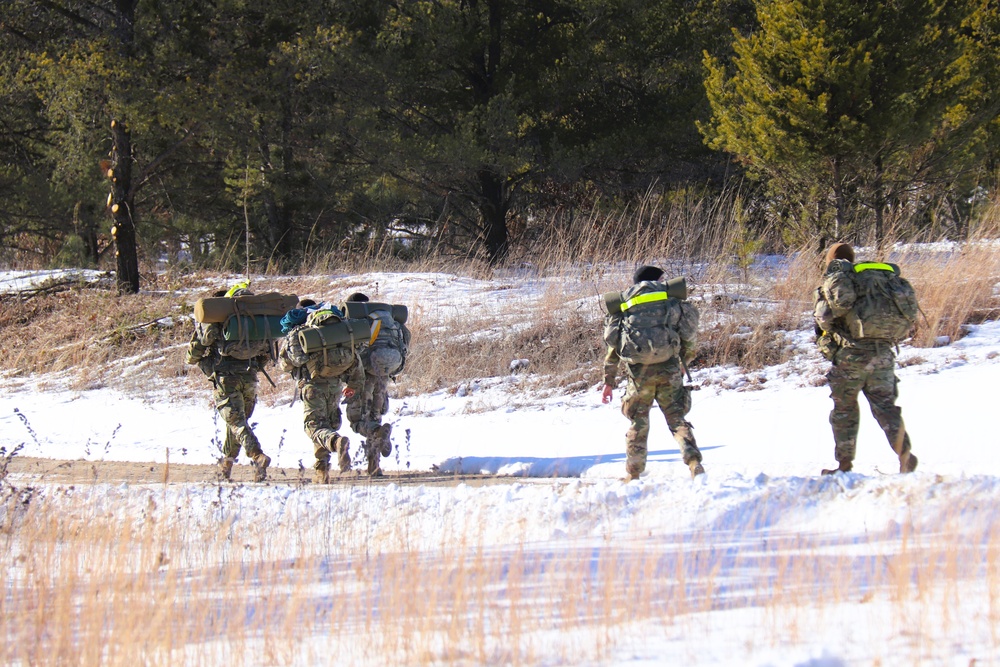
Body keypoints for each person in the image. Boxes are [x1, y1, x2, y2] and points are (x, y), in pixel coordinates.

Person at [813, 242, 918, 475]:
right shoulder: (878, 281)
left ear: (832, 260)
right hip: (883, 354)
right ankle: (905, 456)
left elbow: (826, 318)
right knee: (886, 407)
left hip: (852, 355)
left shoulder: (840, 281)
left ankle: (844, 465)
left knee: (844, 411)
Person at [601, 265, 704, 480]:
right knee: (677, 418)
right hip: (669, 369)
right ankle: (694, 463)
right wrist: (685, 361)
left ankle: (634, 474)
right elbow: (688, 334)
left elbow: (613, 346)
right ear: (656, 280)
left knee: (638, 422)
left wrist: (608, 381)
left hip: (639, 375)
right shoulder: (671, 301)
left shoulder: (624, 305)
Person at [185, 283, 272, 482]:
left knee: (236, 422)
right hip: (250, 377)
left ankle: (257, 455)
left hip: (225, 377)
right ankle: (226, 467)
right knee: (237, 424)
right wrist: (255, 366)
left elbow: (199, 346)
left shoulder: (217, 321)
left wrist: (194, 359)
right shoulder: (258, 320)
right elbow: (267, 352)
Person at [277, 300, 365, 484]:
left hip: (312, 386)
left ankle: (335, 442)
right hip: (335, 385)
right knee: (327, 425)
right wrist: (353, 385)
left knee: (314, 427)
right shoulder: (336, 332)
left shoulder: (301, 333)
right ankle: (322, 472)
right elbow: (355, 360)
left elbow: (287, 363)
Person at [343, 292, 411, 477]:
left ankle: (375, 436)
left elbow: (348, 350)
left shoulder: (358, 323)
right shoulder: (390, 322)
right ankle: (374, 466)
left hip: (362, 375)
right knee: (375, 417)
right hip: (383, 374)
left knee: (358, 421)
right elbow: (405, 341)